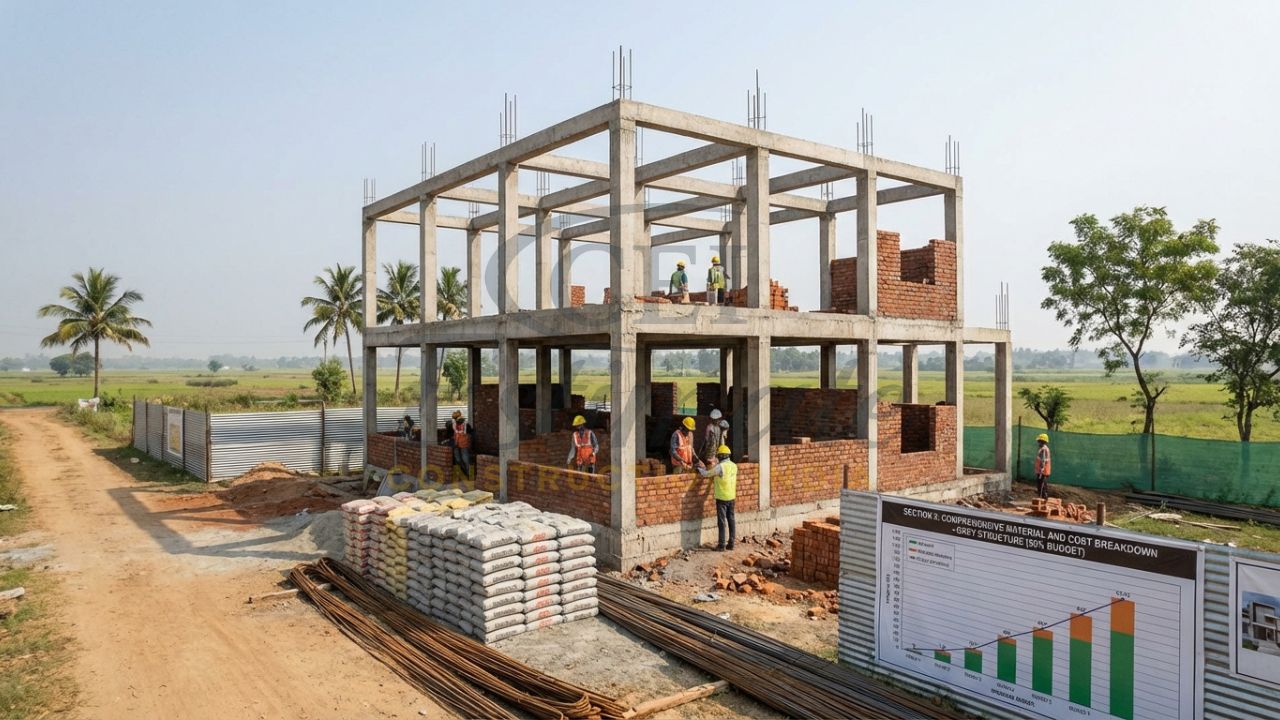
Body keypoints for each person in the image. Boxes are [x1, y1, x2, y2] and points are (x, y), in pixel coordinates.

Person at [698, 444, 737, 551]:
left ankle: (721, 545)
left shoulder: (720, 467)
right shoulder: (734, 465)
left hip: (722, 498)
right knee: (731, 520)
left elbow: (707, 474)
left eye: (718, 456)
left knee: (721, 522)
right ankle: (731, 543)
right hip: (731, 497)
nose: (717, 458)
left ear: (721, 456)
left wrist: (700, 469)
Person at [443, 410, 474, 481]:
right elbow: (471, 433)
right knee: (461, 460)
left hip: (460, 444)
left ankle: (467, 475)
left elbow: (448, 435)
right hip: (459, 444)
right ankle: (466, 475)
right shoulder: (457, 425)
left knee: (462, 460)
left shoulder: (461, 425)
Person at [1034, 433, 1052, 499]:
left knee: (1042, 486)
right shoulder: (1044, 449)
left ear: (1042, 441)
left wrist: (1041, 469)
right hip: (1042, 471)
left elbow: (1043, 460)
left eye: (1039, 441)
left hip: (1043, 472)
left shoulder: (1044, 449)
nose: (1038, 443)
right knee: (1041, 485)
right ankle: (1042, 499)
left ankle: (1043, 500)